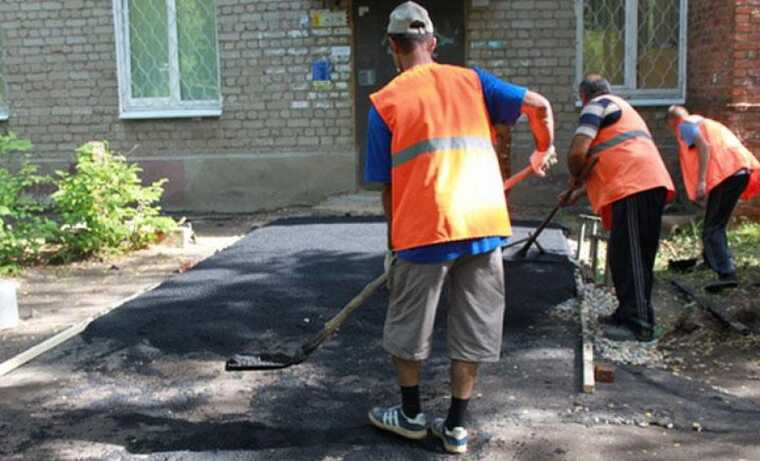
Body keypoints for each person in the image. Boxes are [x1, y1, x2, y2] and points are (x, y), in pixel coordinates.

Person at [363, 1, 556, 454]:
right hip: (483, 225)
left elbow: (387, 188)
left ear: (393, 47)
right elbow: (539, 105)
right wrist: (542, 150)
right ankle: (455, 427)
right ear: (432, 43)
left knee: (409, 327)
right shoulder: (473, 81)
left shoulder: (384, 103)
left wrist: (395, 241)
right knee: (474, 324)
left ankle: (410, 416)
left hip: (423, 233)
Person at [563, 74, 675, 342]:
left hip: (636, 185)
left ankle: (639, 323)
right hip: (638, 185)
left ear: (584, 97)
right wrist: (576, 193)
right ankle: (626, 313)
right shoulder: (621, 109)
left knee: (633, 254)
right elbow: (604, 158)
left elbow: (578, 154)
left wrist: (575, 173)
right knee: (622, 253)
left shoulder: (597, 105)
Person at [666, 106, 760, 292]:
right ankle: (710, 261)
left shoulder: (685, 125)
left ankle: (727, 274)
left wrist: (701, 181)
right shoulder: (706, 122)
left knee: (713, 227)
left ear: (671, 122)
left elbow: (704, 146)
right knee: (714, 221)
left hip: (728, 174)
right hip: (738, 171)